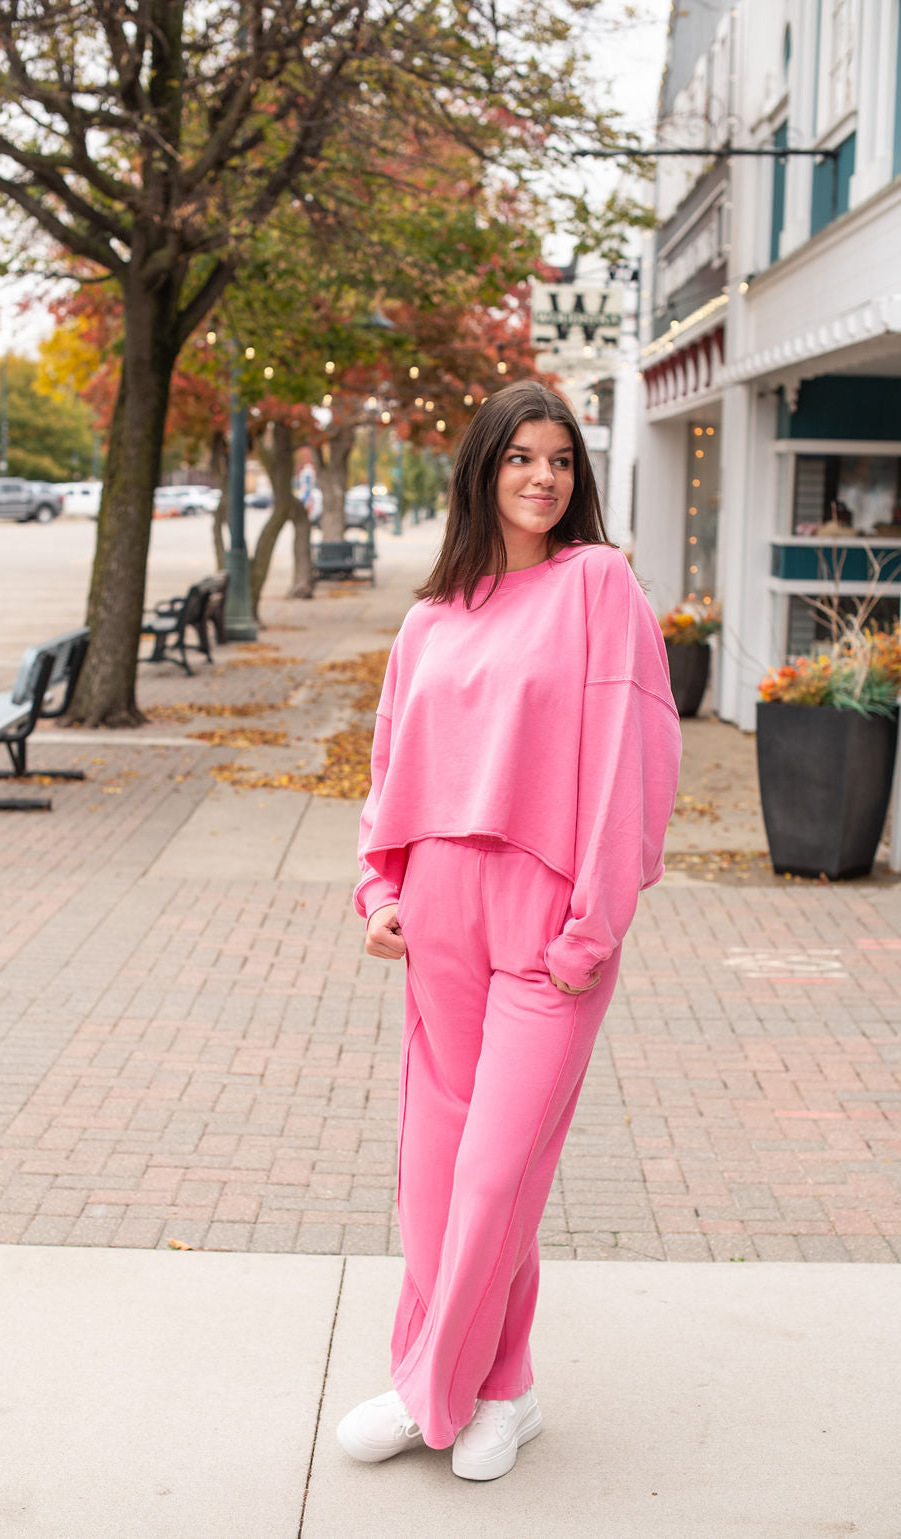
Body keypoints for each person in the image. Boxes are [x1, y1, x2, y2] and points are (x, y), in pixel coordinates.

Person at [336, 379, 682, 1482]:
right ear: (482, 470)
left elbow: (634, 758)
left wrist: (593, 924)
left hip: (550, 921)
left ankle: (428, 1388)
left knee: (496, 1176)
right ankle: (502, 1390)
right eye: (520, 457)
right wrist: (376, 889)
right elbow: (391, 766)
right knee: (437, 1178)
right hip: (437, 907)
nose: (542, 478)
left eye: (561, 460)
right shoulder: (430, 617)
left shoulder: (599, 585)